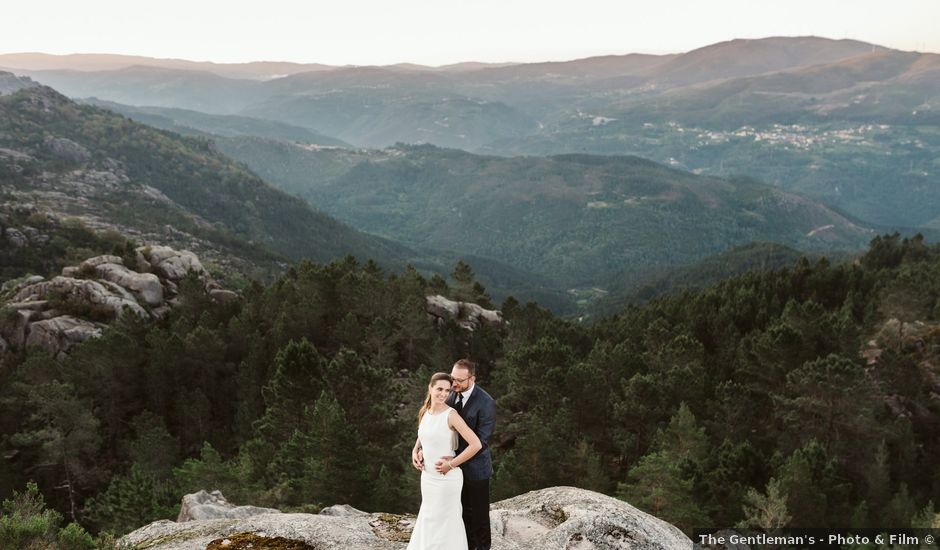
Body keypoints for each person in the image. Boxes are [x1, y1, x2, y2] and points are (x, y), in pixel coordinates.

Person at [408, 372, 482, 550]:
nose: (443, 394)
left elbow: (476, 444)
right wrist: (415, 450)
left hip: (447, 479)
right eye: (439, 389)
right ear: (430, 388)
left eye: (447, 390)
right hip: (428, 478)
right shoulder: (425, 412)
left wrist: (452, 464)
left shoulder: (451, 415)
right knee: (428, 518)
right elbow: (423, 436)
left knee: (445, 522)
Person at [443, 359, 496, 550]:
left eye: (459, 380)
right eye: (452, 378)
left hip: (476, 469)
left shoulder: (486, 402)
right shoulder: (450, 395)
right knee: (461, 513)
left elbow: (482, 442)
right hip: (454, 470)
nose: (454, 383)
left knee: (479, 516)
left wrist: (454, 462)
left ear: (472, 379)